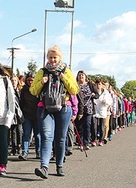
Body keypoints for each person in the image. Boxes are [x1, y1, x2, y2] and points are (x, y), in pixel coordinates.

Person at [30, 45, 79, 179]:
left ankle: (59, 165)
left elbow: (74, 90)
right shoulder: (42, 71)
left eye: (55, 57)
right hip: (45, 108)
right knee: (46, 136)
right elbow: (33, 91)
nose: (52, 60)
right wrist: (41, 82)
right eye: (50, 57)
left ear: (60, 58)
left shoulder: (66, 71)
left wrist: (64, 78)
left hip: (63, 107)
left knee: (61, 138)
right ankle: (44, 167)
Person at [19, 73, 40, 160]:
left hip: (38, 115)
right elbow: (21, 102)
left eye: (32, 80)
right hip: (27, 114)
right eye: (28, 80)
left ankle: (38, 152)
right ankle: (25, 152)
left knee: (38, 135)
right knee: (26, 134)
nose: (30, 82)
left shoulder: (39, 89)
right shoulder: (24, 90)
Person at [76, 70, 99, 149]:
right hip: (78, 108)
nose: (81, 77)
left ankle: (86, 142)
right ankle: (80, 142)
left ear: (85, 77)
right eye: (79, 75)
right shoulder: (75, 85)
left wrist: (93, 95)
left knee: (87, 125)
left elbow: (97, 95)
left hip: (88, 108)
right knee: (79, 126)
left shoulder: (90, 85)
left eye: (82, 75)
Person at [94, 79, 113, 146]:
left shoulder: (106, 93)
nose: (98, 86)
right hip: (95, 111)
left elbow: (110, 102)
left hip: (103, 111)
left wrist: (106, 102)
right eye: (96, 84)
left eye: (99, 84)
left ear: (102, 85)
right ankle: (94, 140)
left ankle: (101, 140)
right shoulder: (93, 92)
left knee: (102, 127)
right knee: (94, 126)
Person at [9, 75, 23, 156]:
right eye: (12, 80)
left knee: (19, 130)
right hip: (12, 113)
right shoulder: (9, 90)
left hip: (19, 113)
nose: (13, 82)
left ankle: (19, 146)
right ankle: (13, 147)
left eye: (15, 80)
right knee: (13, 131)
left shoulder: (20, 91)